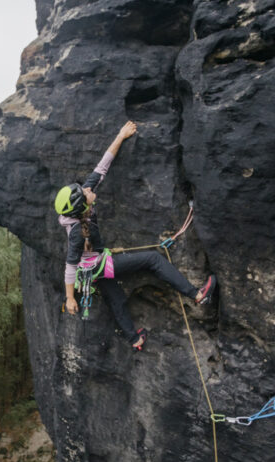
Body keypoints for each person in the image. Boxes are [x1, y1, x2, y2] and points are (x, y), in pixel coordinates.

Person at [53, 120, 216, 350]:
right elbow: (70, 266)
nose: (88, 189)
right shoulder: (77, 233)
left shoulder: (80, 208)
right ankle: (196, 294)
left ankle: (134, 339)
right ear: (81, 206)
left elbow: (101, 168)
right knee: (153, 259)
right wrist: (70, 298)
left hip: (92, 267)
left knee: (116, 298)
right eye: (85, 192)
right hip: (97, 266)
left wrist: (121, 136)